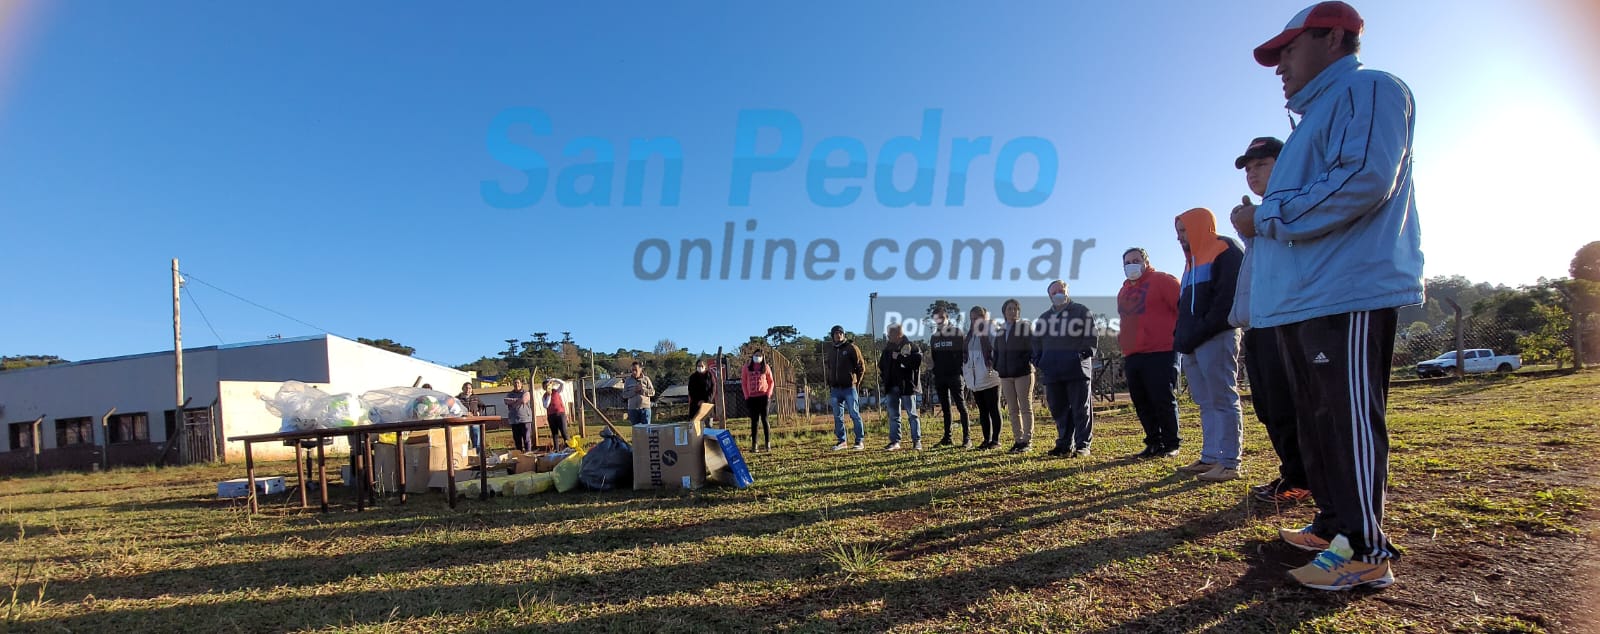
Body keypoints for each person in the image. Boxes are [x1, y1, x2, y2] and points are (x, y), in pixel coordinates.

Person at [1231, 0, 1423, 590]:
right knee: (1316, 421)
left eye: (1287, 50)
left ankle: (1366, 549)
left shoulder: (1369, 90)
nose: (1279, 65)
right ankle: (1335, 525)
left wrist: (1267, 217)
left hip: (1346, 289)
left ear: (1334, 38)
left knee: (1345, 419)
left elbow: (1365, 176)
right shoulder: (1311, 118)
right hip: (1307, 296)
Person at [1229, 137, 1313, 506]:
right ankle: (1293, 472)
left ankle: (1307, 478)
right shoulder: (1262, 216)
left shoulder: (1300, 205)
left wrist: (1259, 222)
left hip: (1290, 319)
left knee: (1292, 403)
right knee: (1269, 405)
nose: (1252, 173)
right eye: (1248, 168)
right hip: (1259, 323)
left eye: (1261, 164)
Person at [1173, 208, 1245, 482]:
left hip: (1216, 337)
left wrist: (1201, 330)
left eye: (1184, 230)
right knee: (1205, 401)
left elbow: (1226, 299)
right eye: (1178, 232)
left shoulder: (1225, 249)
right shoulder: (1190, 263)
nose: (1180, 237)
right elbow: (1184, 307)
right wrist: (1181, 336)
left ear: (1199, 226)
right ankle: (1210, 456)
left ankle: (1229, 461)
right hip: (1192, 343)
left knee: (1223, 398)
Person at [1116, 248, 1183, 459]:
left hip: (1162, 349)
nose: (1131, 265)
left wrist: (1181, 337)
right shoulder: (1123, 291)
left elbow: (1181, 308)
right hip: (1133, 353)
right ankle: (1153, 442)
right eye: (1127, 262)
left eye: (1136, 260)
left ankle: (1171, 443)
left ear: (1146, 261)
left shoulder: (1163, 280)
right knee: (1142, 401)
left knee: (1162, 398)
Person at [1032, 280, 1097, 458]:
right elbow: (1036, 343)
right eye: (1054, 292)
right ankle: (1064, 443)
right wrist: (1039, 361)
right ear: (1049, 296)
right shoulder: (1043, 319)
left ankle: (1083, 445)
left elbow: (1091, 336)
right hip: (1052, 372)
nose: (1058, 294)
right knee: (1058, 409)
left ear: (1067, 291)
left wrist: (1080, 355)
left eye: (1061, 290)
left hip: (1077, 369)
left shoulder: (1081, 311)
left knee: (1080, 408)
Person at [994, 298, 1036, 453]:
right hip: (1005, 375)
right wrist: (997, 366)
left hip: (1023, 373)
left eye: (1015, 308)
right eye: (1009, 308)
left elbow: (1033, 347)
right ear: (1004, 312)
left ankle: (1027, 440)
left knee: (1025, 407)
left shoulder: (1025, 327)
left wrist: (1024, 362)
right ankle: (1018, 440)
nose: (1012, 311)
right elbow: (996, 352)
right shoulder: (1000, 331)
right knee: (1012, 409)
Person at [928, 305, 971, 447]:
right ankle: (948, 438)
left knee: (961, 406)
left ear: (947, 318)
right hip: (940, 377)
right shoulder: (934, 337)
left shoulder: (957, 333)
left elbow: (964, 353)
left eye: (941, 317)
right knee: (946, 409)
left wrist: (961, 371)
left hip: (955, 376)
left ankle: (967, 438)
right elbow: (934, 357)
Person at [963, 306, 1004, 450]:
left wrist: (993, 364)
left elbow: (998, 348)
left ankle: (996, 440)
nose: (975, 320)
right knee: (982, 411)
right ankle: (986, 440)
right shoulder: (970, 335)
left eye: (978, 317)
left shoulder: (991, 330)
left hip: (990, 376)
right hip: (975, 379)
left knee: (994, 408)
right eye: (973, 318)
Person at [878, 323, 923, 451]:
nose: (888, 336)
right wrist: (885, 378)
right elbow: (882, 365)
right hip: (892, 386)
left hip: (907, 386)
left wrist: (899, 358)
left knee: (912, 414)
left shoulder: (911, 346)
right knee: (894, 415)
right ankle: (895, 441)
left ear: (898, 334)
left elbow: (917, 362)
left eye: (890, 334)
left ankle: (917, 441)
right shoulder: (887, 349)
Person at [824, 325, 867, 451]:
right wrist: (830, 384)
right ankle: (842, 441)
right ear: (832, 336)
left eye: (841, 333)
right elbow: (830, 369)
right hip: (836, 389)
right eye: (836, 333)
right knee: (838, 416)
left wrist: (856, 382)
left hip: (849, 388)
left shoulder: (851, 348)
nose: (839, 335)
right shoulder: (831, 351)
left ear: (844, 335)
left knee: (854, 414)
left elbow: (861, 367)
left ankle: (859, 441)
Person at [741, 350, 775, 453]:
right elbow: (743, 383)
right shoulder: (746, 368)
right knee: (754, 421)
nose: (757, 357)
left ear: (763, 357)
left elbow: (771, 381)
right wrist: (747, 397)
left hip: (763, 396)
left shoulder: (766, 367)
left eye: (760, 355)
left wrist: (768, 394)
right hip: (752, 398)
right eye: (756, 355)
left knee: (765, 420)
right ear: (752, 356)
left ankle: (767, 444)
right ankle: (754, 445)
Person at [503, 378, 534, 452]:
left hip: (525, 419)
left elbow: (524, 400)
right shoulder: (510, 394)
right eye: (515, 383)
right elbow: (506, 401)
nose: (516, 384)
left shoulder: (526, 392)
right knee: (517, 440)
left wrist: (513, 401)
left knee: (526, 439)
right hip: (514, 420)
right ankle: (520, 456)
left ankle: (528, 454)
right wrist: (518, 400)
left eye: (518, 383)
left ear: (521, 384)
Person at [622, 361, 656, 426]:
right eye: (632, 370)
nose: (634, 372)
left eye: (636, 370)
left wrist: (642, 390)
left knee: (646, 430)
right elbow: (624, 395)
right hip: (633, 409)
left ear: (640, 369)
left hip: (645, 409)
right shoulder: (628, 381)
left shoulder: (646, 379)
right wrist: (634, 391)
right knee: (636, 430)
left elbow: (653, 392)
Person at [457, 382, 484, 451]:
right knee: (465, 440)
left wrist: (479, 413)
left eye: (469, 388)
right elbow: (455, 409)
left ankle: (477, 456)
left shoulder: (475, 397)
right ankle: (466, 456)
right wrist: (464, 413)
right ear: (462, 389)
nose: (468, 390)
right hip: (463, 422)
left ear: (472, 389)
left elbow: (482, 406)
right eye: (466, 388)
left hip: (474, 421)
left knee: (476, 439)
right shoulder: (458, 399)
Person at [688, 358, 716, 425]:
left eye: (702, 366)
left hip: (707, 404)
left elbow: (713, 389)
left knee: (708, 425)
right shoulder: (692, 377)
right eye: (698, 366)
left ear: (705, 367)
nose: (700, 367)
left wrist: (706, 401)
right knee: (695, 426)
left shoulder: (710, 376)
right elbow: (691, 391)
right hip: (696, 405)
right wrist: (698, 401)